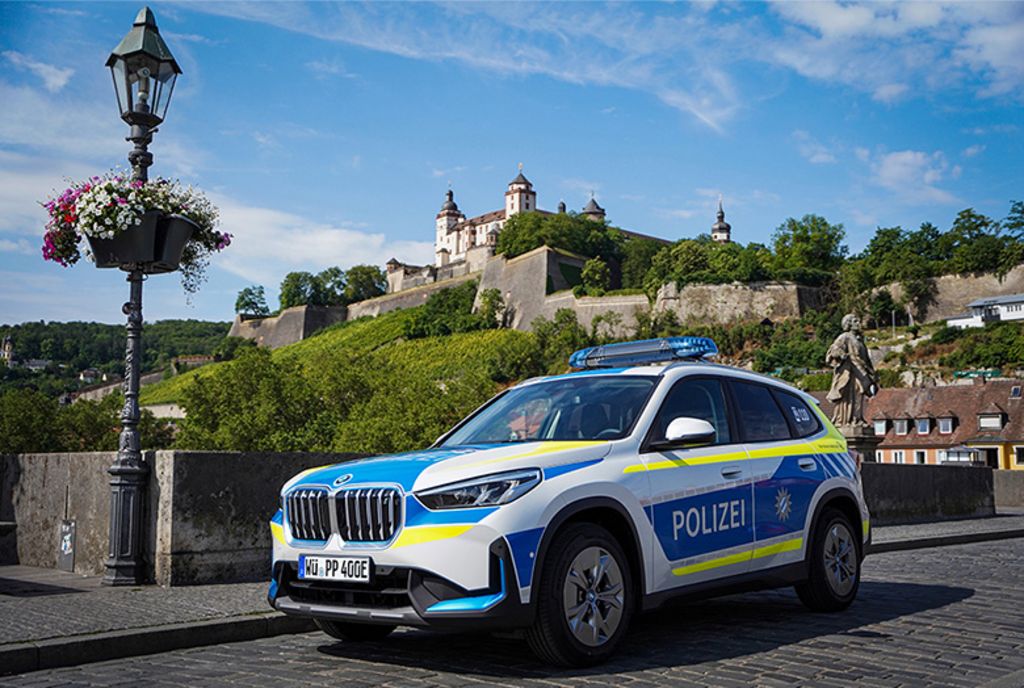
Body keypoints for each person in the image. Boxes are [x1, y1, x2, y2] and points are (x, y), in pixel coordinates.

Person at [826, 314, 878, 429]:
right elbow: (834, 349)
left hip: (861, 372)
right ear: (848, 324)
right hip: (850, 372)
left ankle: (857, 418)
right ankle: (845, 419)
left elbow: (866, 359)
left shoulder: (860, 340)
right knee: (849, 395)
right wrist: (841, 354)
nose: (858, 324)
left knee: (859, 394)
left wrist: (872, 374)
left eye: (858, 321)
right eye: (855, 321)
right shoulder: (845, 337)